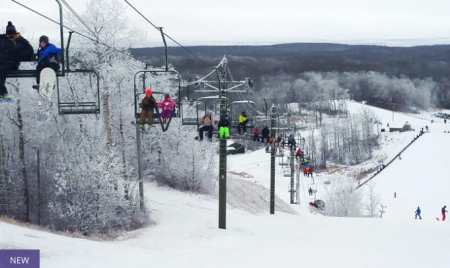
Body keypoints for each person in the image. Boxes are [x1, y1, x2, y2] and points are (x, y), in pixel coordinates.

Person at [0, 21, 34, 98]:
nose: (10, 37)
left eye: (11, 35)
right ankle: (3, 93)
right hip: (2, 61)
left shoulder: (20, 41)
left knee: (1, 70)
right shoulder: (2, 39)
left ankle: (3, 94)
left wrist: (22, 54)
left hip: (12, 62)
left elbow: (30, 50)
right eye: (8, 35)